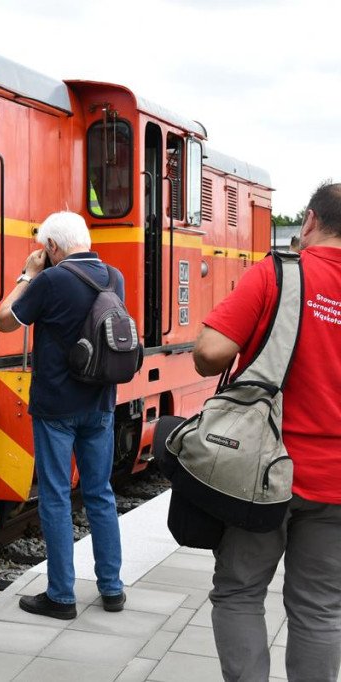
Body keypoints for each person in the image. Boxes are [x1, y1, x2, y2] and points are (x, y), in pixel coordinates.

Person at [194, 181, 341, 682]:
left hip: (259, 474)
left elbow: (210, 353)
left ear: (309, 221)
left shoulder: (278, 273)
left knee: (239, 591)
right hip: (336, 485)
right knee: (320, 607)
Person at [0, 211, 125, 619]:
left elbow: (3, 321)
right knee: (100, 494)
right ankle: (112, 589)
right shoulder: (114, 277)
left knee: (55, 497)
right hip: (100, 404)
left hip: (56, 408)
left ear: (51, 246)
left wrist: (27, 275)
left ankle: (62, 597)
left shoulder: (51, 280)